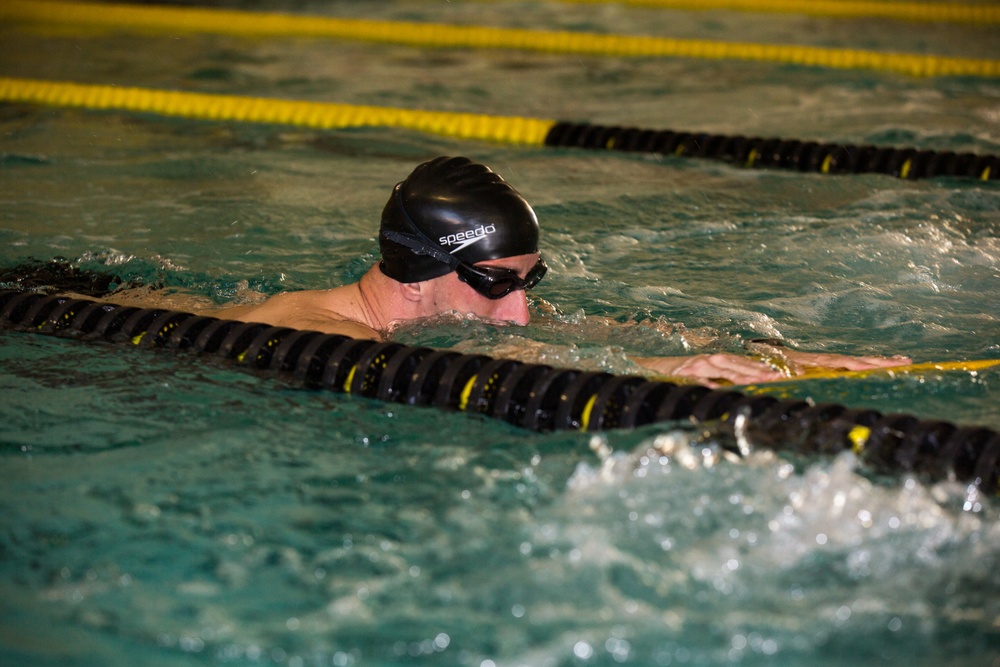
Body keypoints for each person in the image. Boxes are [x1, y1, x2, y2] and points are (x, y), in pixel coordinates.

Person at [209, 156, 909, 386]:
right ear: (418, 271)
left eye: (529, 281)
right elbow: (453, 378)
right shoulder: (320, 337)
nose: (517, 312)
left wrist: (777, 356)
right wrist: (650, 376)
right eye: (495, 284)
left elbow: (596, 328)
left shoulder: (436, 303)